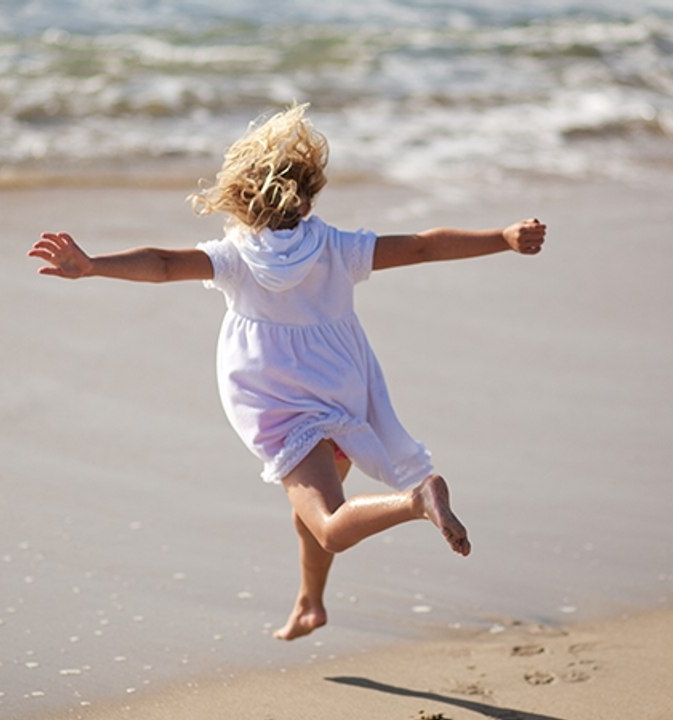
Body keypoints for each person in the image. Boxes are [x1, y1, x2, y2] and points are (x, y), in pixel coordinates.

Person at [27, 103, 546, 641]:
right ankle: (309, 604)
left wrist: (93, 265)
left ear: (239, 199)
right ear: (308, 194)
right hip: (345, 394)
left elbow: (161, 264)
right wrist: (501, 237)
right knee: (310, 516)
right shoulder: (338, 248)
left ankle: (417, 501)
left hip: (281, 408)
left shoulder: (237, 258)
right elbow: (422, 244)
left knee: (328, 525)